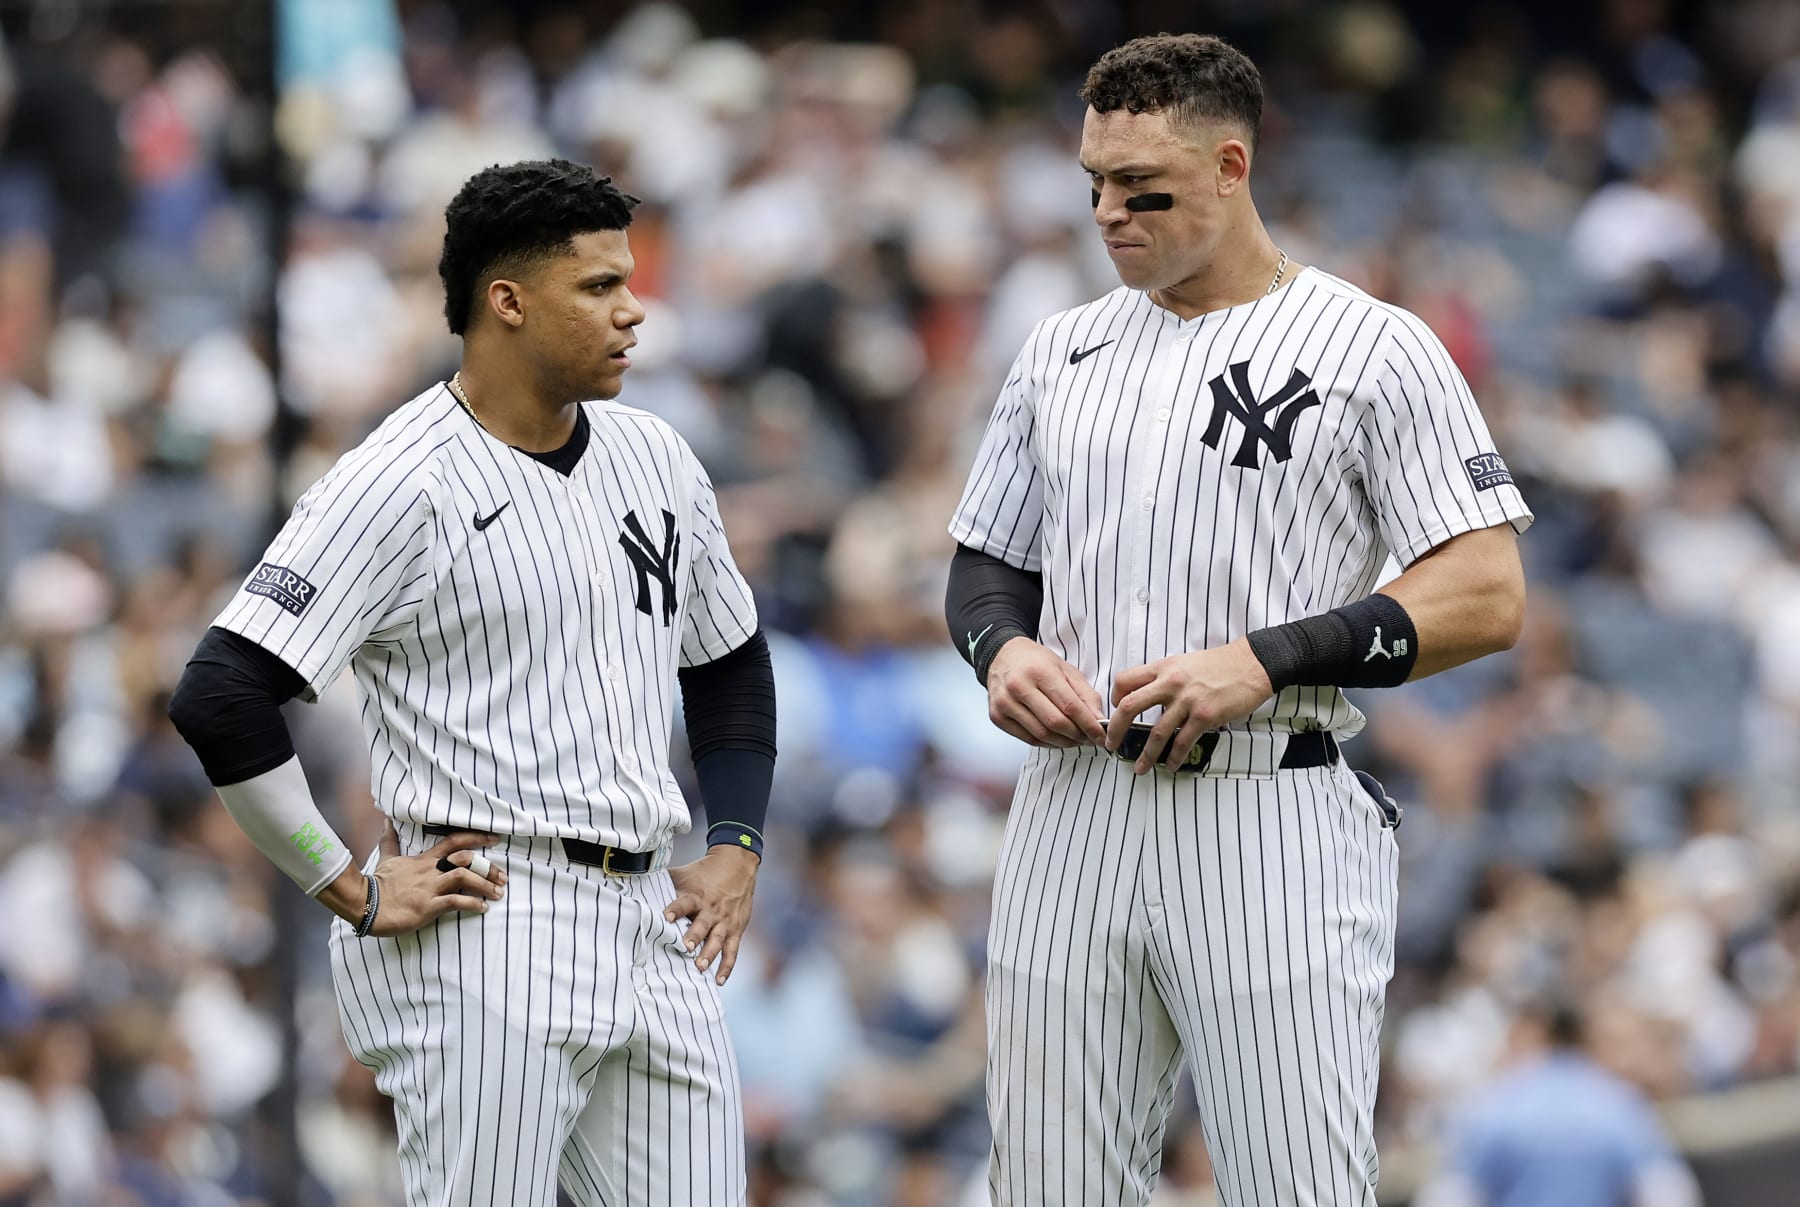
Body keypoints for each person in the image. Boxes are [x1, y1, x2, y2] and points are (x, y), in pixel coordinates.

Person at [944, 34, 1532, 1206]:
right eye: (1095, 183)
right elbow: (986, 563)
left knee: (1294, 1185)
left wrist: (1268, 658)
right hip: (1074, 805)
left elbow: (1486, 591)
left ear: (1229, 166)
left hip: (1270, 802)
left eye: (1143, 188)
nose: (1110, 211)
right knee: (1046, 1188)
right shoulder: (1062, 347)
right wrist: (1001, 651)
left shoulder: (1372, 344)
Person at [168, 158, 774, 1205]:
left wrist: (738, 844)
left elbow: (725, 654)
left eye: (627, 282)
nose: (635, 313)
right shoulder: (400, 479)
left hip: (652, 915)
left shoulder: (658, 455)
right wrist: (344, 884)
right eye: (599, 287)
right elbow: (221, 690)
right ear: (507, 301)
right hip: (492, 916)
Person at [1413, 1004, 1702, 1207]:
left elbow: (1448, 1198)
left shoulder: (1494, 1107)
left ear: (1539, 1036)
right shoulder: (1618, 1104)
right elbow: (1669, 1194)